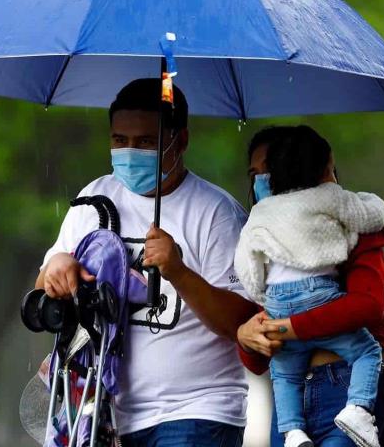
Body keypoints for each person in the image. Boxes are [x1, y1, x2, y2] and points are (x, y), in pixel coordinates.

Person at [35, 78, 257, 447]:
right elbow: (45, 284)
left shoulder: (217, 214)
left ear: (181, 141)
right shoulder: (94, 198)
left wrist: (179, 273)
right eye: (119, 141)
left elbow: (243, 322)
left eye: (145, 142)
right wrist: (57, 268)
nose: (130, 152)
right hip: (101, 414)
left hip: (196, 413)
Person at [237, 126, 384, 447]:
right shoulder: (266, 238)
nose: (263, 182)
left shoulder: (350, 228)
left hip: (346, 387)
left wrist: (286, 328)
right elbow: (258, 359)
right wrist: (246, 337)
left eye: (270, 171)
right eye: (255, 174)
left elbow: (367, 305)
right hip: (289, 405)